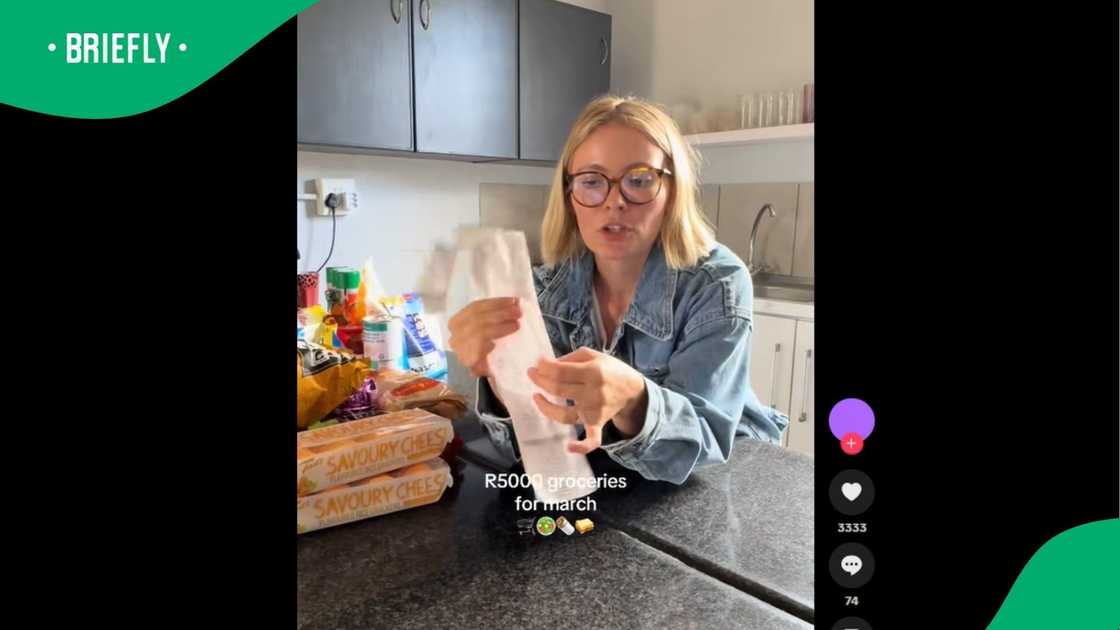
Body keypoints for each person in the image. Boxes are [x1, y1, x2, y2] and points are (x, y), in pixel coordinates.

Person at [447, 95, 788, 484]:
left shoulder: (716, 283)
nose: (614, 202)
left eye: (639, 180)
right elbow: (541, 444)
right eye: (592, 182)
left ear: (672, 192)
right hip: (615, 490)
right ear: (570, 195)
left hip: (723, 485)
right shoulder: (545, 291)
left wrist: (635, 401)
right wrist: (500, 374)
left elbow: (707, 440)